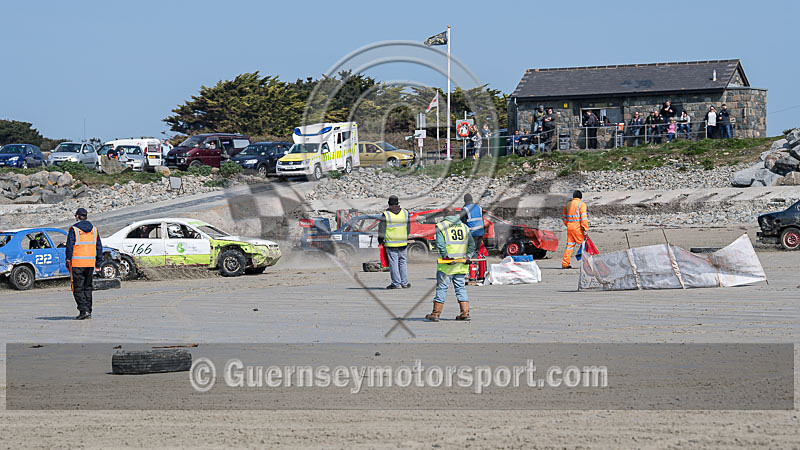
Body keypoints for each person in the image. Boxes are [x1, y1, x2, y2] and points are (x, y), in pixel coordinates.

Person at [425, 213, 475, 322]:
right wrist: (468, 256)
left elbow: (441, 244)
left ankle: (436, 313)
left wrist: (445, 256)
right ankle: (465, 313)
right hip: (461, 264)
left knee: (442, 288)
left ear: (445, 216)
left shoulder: (441, 226)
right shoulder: (464, 227)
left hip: (447, 266)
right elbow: (472, 245)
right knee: (460, 288)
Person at [65, 208, 103, 320]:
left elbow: (69, 247)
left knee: (78, 288)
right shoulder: (94, 230)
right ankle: (88, 310)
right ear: (86, 216)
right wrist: (98, 263)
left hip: (77, 263)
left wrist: (68, 260)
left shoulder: (74, 229)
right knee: (88, 287)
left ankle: (83, 310)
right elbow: (99, 247)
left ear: (77, 216)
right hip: (90, 263)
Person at [378, 195, 411, 289]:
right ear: (398, 203)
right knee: (402, 262)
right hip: (403, 242)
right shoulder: (405, 213)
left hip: (391, 243)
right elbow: (408, 227)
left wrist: (380, 241)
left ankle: (396, 283)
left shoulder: (386, 214)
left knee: (394, 263)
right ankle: (404, 283)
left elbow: (381, 229)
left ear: (389, 204)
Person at [561, 190, 588, 269]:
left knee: (569, 246)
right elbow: (583, 218)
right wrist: (585, 229)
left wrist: (568, 224)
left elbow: (563, 217)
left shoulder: (568, 205)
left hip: (570, 227)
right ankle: (587, 263)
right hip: (578, 228)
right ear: (581, 197)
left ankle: (565, 263)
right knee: (584, 244)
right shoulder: (581, 204)